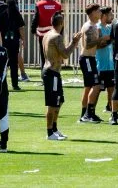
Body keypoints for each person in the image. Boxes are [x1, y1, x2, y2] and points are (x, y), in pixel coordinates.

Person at [42, 12, 84, 140]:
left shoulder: (47, 34)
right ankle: (49, 132)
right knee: (53, 103)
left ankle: (54, 129)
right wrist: (74, 42)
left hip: (52, 72)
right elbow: (65, 54)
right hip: (52, 72)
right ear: (61, 23)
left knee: (59, 101)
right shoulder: (57, 36)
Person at [78, 4, 106, 124]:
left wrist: (105, 41)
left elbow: (96, 45)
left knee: (89, 87)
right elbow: (88, 45)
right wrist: (101, 38)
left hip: (90, 58)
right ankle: (87, 114)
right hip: (87, 59)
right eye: (99, 11)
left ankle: (86, 113)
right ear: (93, 12)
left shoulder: (94, 26)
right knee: (96, 85)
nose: (100, 13)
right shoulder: (89, 27)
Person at [31, 0, 62, 64]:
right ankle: (55, 73)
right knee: (55, 54)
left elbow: (35, 18)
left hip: (43, 35)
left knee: (44, 54)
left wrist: (33, 30)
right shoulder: (58, 5)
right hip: (55, 34)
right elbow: (60, 20)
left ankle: (44, 73)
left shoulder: (39, 4)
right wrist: (61, 33)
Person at [97, 7, 116, 115]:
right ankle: (90, 110)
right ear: (104, 16)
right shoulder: (98, 28)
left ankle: (110, 106)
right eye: (110, 15)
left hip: (110, 64)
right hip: (100, 64)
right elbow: (99, 45)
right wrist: (110, 39)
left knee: (111, 87)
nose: (112, 17)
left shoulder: (109, 28)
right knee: (97, 88)